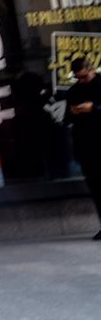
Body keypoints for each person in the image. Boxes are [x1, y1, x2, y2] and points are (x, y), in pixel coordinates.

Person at [66, 58, 101, 240]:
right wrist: (74, 111)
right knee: (95, 187)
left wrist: (94, 108)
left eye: (84, 77)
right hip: (86, 145)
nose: (82, 81)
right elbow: (67, 117)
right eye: (78, 78)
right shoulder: (74, 90)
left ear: (92, 69)